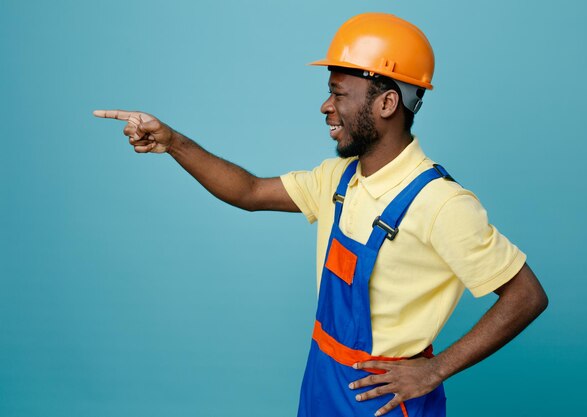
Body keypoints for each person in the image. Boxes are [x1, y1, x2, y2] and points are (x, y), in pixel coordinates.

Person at [94, 12, 547, 417]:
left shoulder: (441, 204)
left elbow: (526, 296)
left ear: (387, 103)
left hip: (384, 401)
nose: (326, 107)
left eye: (338, 94)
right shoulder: (338, 180)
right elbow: (249, 191)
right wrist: (173, 142)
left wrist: (434, 371)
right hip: (323, 381)